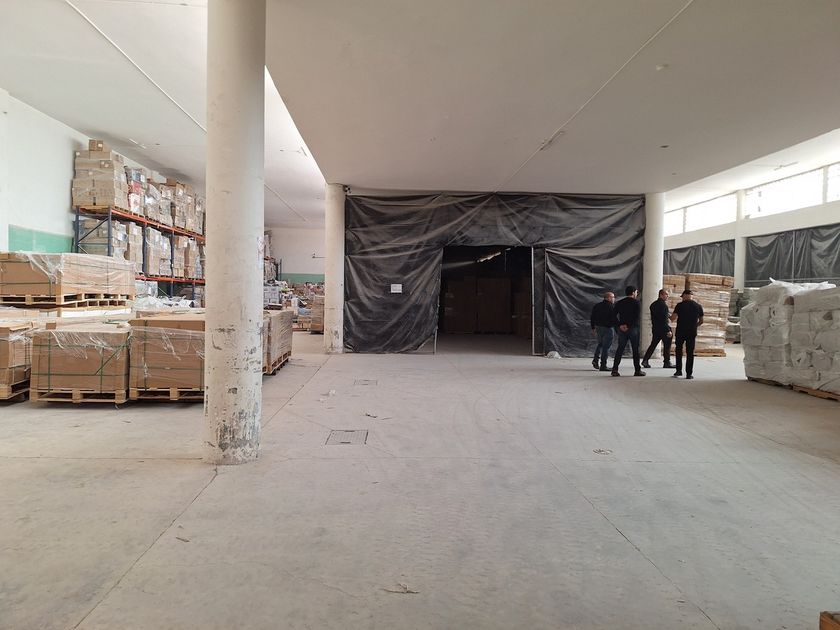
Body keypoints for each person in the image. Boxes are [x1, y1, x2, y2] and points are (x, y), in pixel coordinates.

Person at [611, 285, 645, 377]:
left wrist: (620, 325)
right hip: (633, 328)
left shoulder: (620, 302)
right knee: (635, 350)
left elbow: (613, 315)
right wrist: (629, 326)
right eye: (636, 292)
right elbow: (636, 317)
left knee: (620, 349)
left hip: (622, 329)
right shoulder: (636, 303)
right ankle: (637, 370)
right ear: (633, 293)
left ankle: (614, 369)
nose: (636, 294)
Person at [670, 289, 704, 380]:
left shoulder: (679, 305)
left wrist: (667, 315)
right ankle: (689, 374)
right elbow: (701, 321)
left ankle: (678, 371)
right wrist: (694, 326)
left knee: (678, 350)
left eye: (682, 297)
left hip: (680, 331)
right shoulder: (698, 306)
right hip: (692, 332)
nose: (682, 299)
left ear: (685, 296)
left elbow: (673, 318)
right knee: (690, 352)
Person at [641, 289, 674, 369]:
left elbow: (657, 316)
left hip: (656, 328)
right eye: (666, 294)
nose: (667, 296)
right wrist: (668, 330)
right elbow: (663, 319)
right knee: (667, 346)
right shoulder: (664, 306)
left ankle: (645, 360)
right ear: (661, 295)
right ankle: (667, 362)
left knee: (653, 344)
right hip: (664, 328)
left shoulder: (653, 304)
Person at [590, 291, 615, 371]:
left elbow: (592, 317)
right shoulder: (611, 307)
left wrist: (593, 327)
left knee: (600, 344)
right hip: (608, 328)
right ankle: (603, 365)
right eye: (613, 297)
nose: (614, 299)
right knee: (606, 347)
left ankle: (595, 359)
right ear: (608, 298)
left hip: (598, 327)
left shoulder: (597, 306)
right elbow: (614, 318)